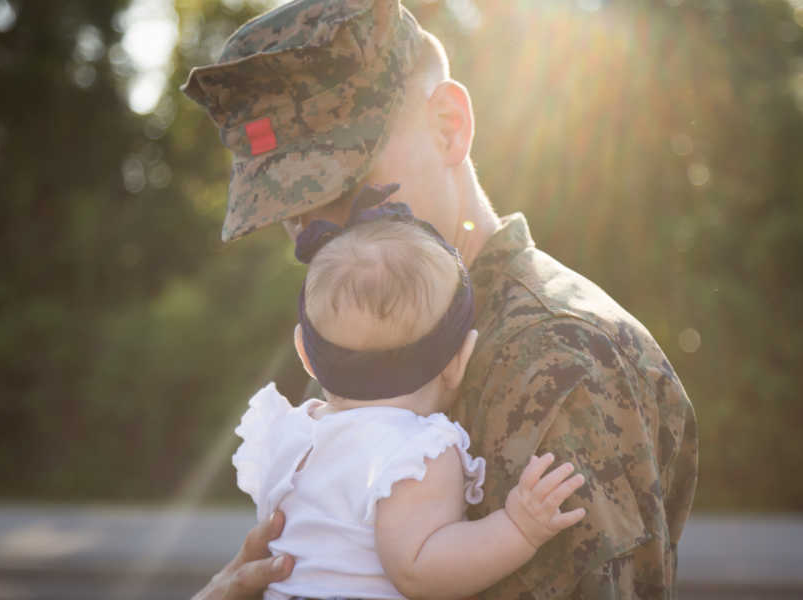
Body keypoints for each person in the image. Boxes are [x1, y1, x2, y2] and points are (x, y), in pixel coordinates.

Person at [183, 0, 698, 598]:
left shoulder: (561, 361)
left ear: (448, 126)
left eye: (344, 188)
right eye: (293, 212)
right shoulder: (368, 325)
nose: (321, 237)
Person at [229, 194, 586, 599]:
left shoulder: (288, 433)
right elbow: (418, 571)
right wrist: (518, 528)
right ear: (459, 361)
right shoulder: (416, 451)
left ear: (306, 355)